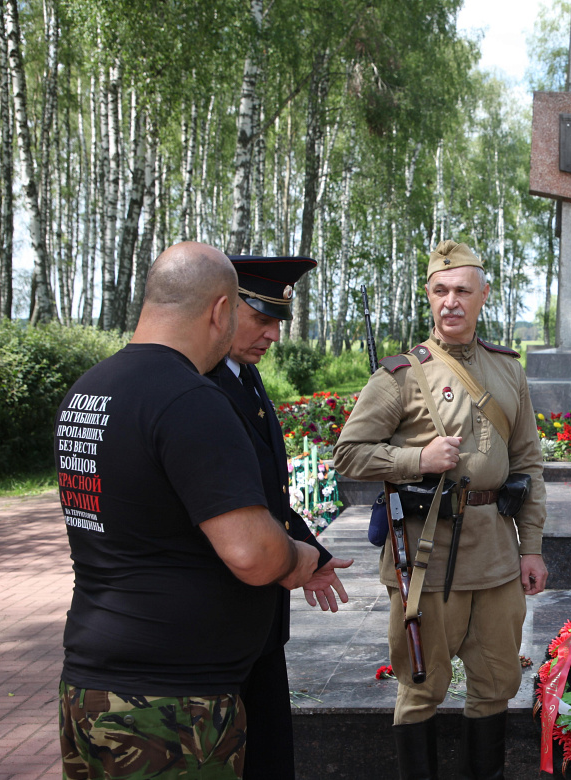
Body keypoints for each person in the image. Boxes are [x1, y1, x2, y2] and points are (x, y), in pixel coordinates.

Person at [56, 242, 320, 779]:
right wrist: (296, 558)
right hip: (169, 704)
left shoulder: (88, 390)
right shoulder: (190, 399)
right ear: (222, 310)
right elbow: (251, 553)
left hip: (91, 683)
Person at [333, 240, 547, 780]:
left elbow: (528, 463)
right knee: (421, 686)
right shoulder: (402, 375)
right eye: (440, 290)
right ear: (428, 296)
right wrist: (417, 459)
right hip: (426, 558)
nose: (451, 302)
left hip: (496, 556)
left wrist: (531, 548)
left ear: (483, 295)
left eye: (462, 291)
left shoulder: (508, 370)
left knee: (496, 683)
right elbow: (349, 454)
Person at [205, 254, 354, 780]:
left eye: (277, 322)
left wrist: (312, 553)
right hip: (222, 619)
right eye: (261, 319)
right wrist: (293, 558)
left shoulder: (243, 376)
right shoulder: (201, 388)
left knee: (269, 756)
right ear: (223, 309)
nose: (272, 335)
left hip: (260, 619)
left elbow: (267, 493)